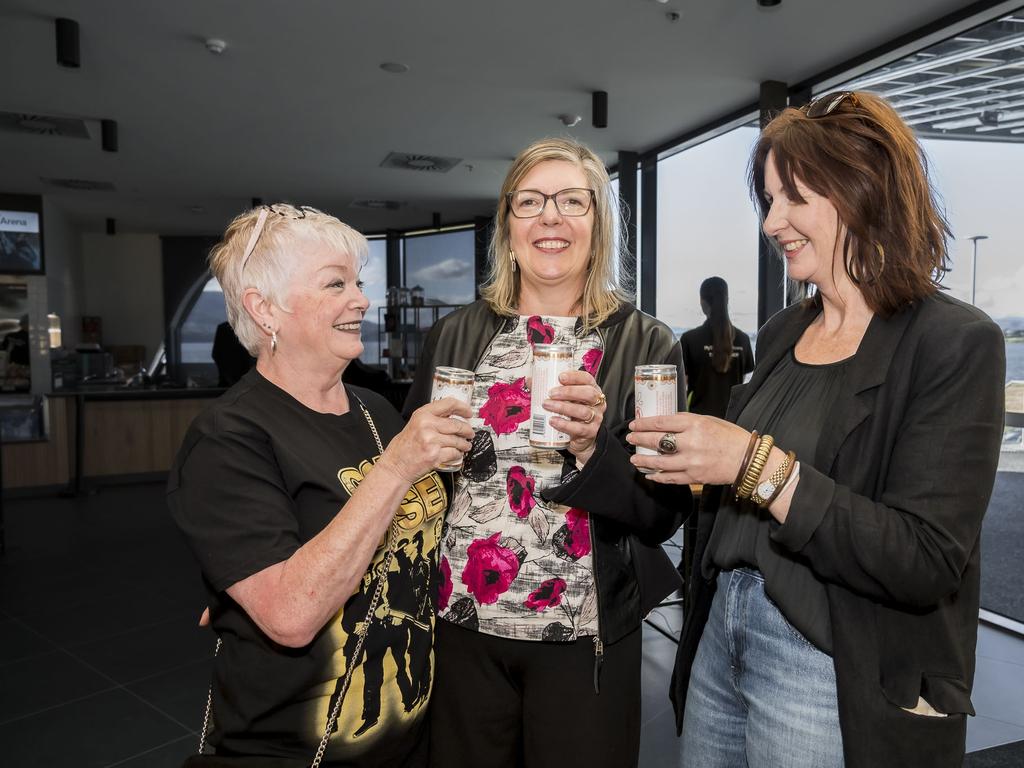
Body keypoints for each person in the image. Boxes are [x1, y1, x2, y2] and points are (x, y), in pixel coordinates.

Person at [628, 91, 1006, 768]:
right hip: (721, 632)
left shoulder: (953, 342)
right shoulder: (781, 332)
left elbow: (923, 560)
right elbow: (733, 498)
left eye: (795, 197)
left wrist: (754, 464)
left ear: (865, 192)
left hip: (828, 658)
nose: (774, 222)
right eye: (769, 201)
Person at [403, 138, 689, 768]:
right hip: (461, 623)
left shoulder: (646, 344)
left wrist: (594, 448)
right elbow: (409, 474)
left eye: (570, 201)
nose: (550, 217)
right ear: (508, 227)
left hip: (582, 637)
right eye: (529, 202)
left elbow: (662, 511)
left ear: (600, 223)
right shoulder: (457, 333)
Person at [167, 204, 474, 767]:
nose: (361, 299)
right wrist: (397, 468)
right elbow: (289, 616)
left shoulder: (376, 409)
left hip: (410, 741)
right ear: (265, 310)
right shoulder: (228, 435)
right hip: (293, 751)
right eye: (335, 283)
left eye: (358, 282)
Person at [679, 277, 753, 418]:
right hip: (733, 421)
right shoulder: (743, 339)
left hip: (699, 421)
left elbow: (683, 387)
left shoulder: (689, 339)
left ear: (702, 302)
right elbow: (742, 383)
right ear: (727, 301)